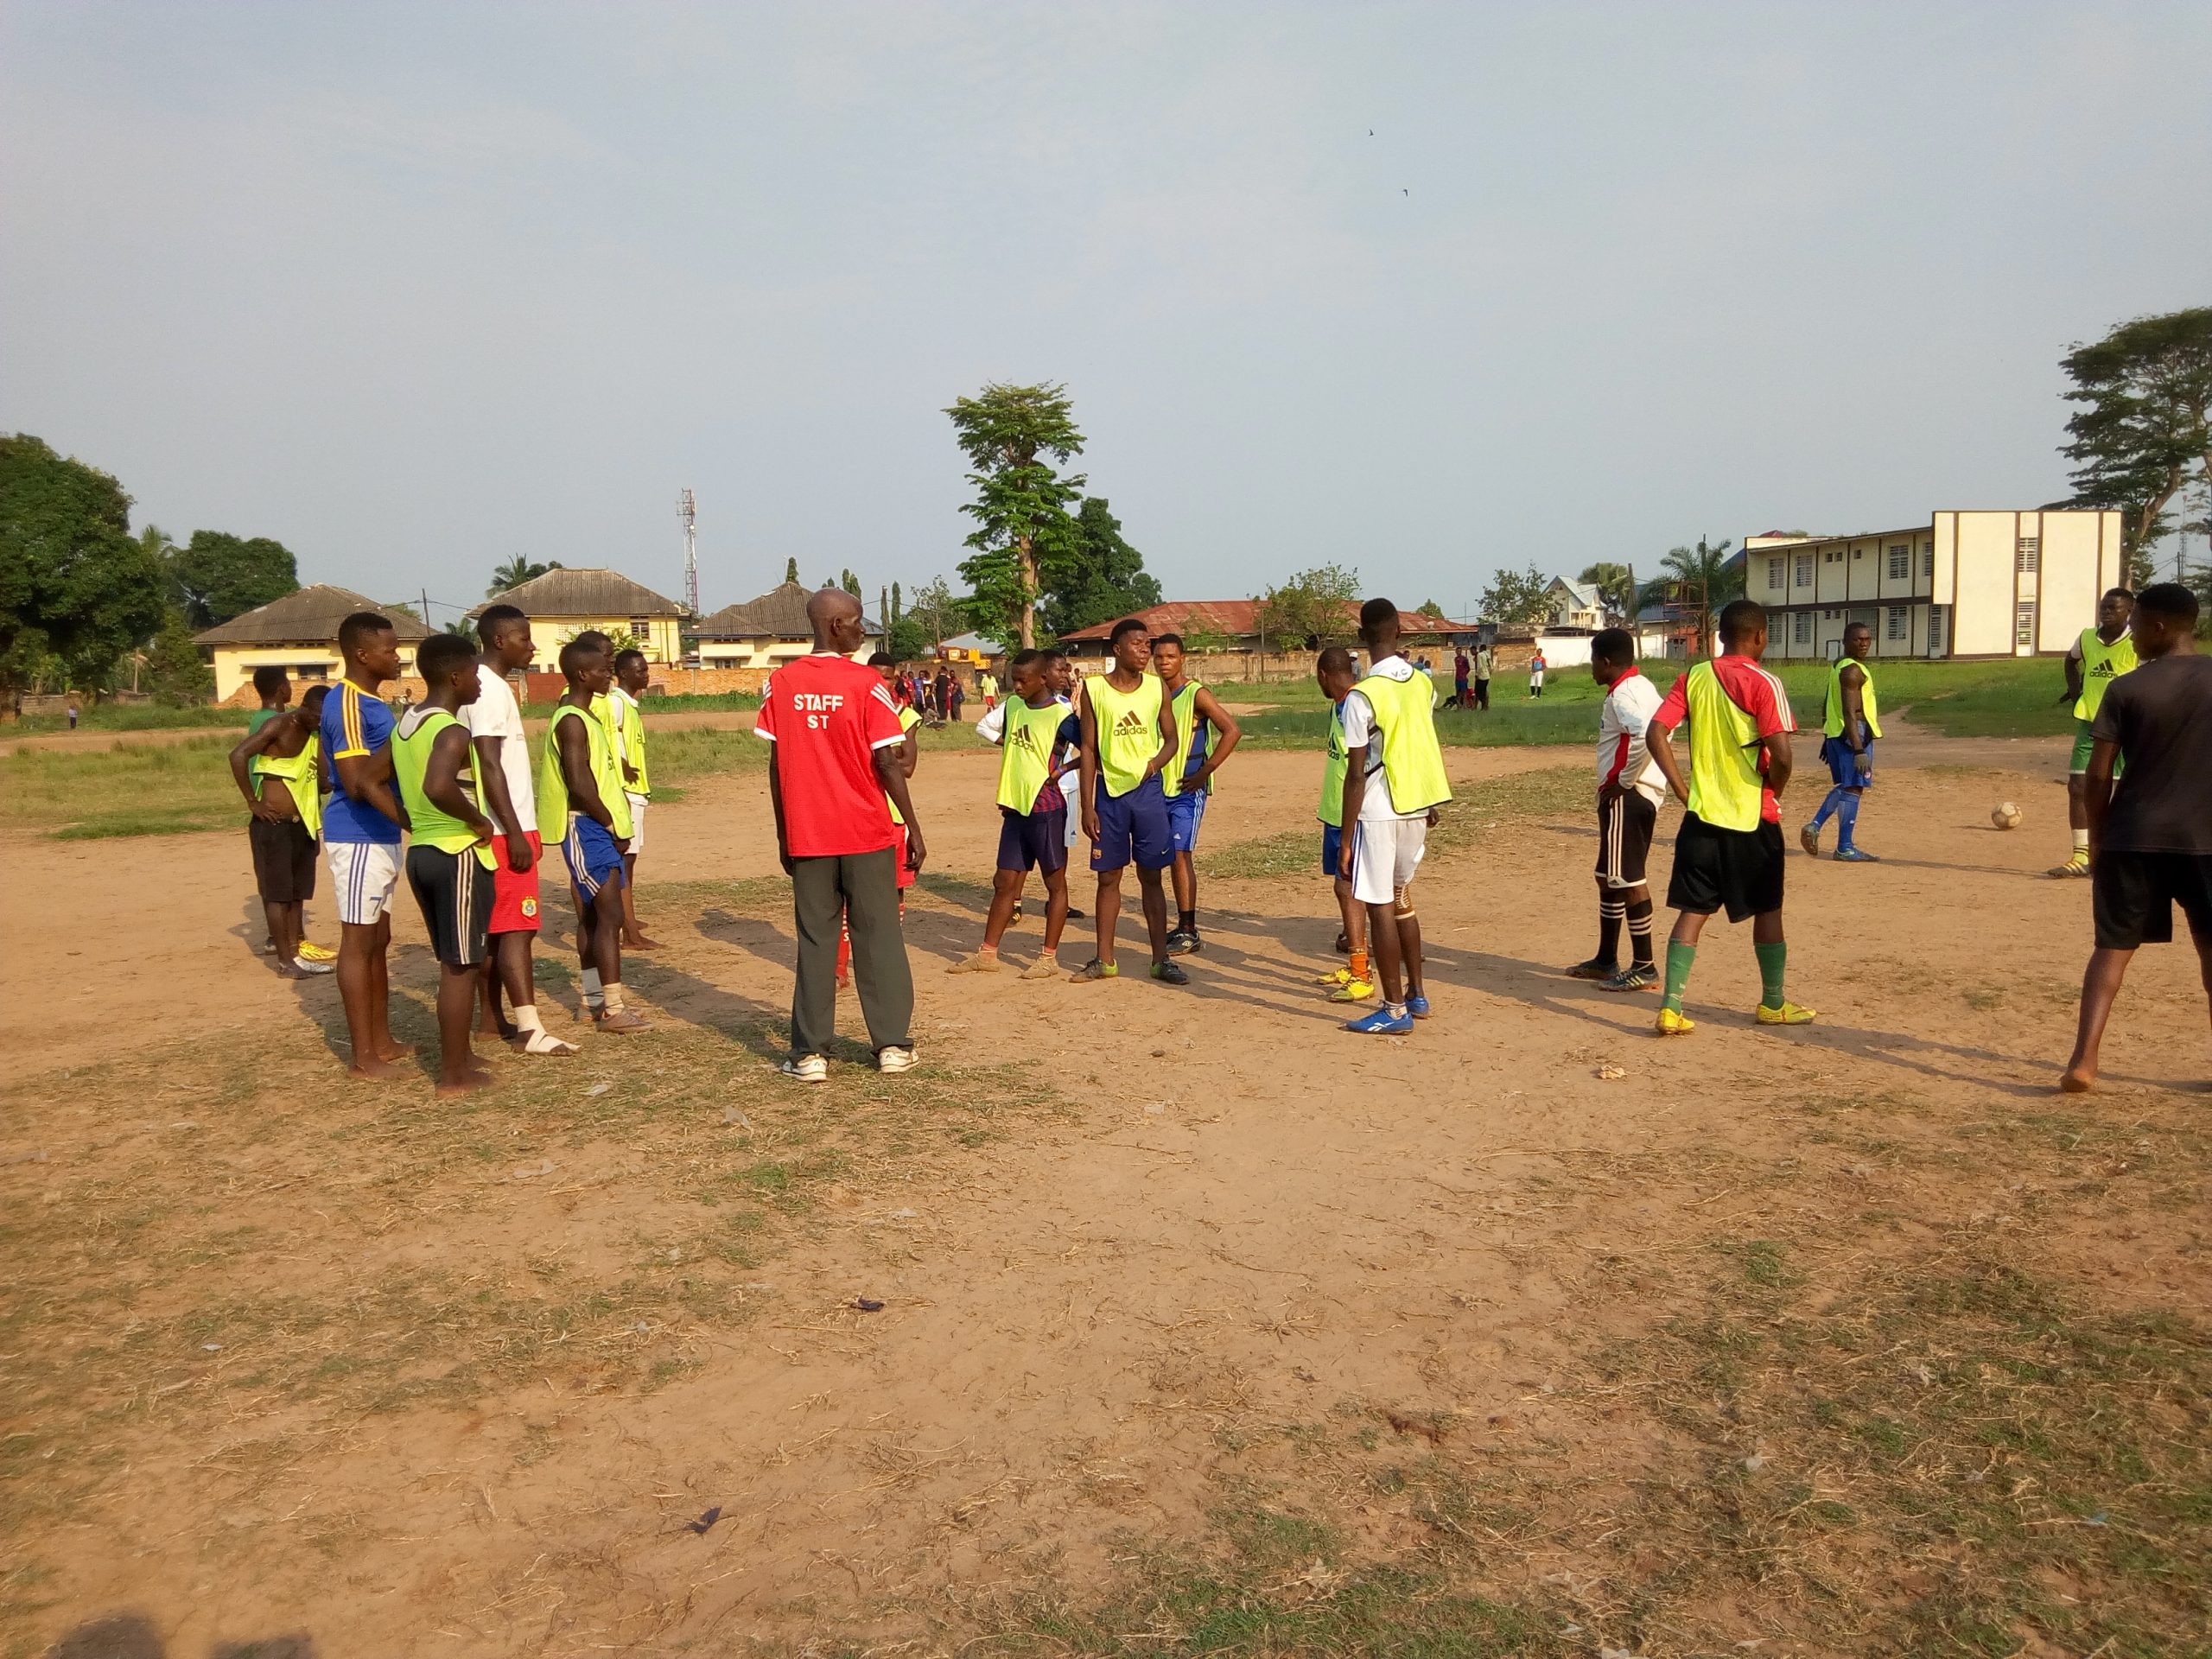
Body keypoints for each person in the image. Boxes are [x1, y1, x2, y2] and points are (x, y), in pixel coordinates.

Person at [756, 589, 924, 1080]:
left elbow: (775, 766)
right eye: (855, 622)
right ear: (834, 626)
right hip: (866, 831)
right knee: (880, 937)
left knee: (816, 940)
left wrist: (785, 831)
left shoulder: (780, 683)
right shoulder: (867, 684)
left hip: (808, 834)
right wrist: (912, 826)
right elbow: (887, 761)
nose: (860, 630)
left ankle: (809, 1053)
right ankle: (892, 1045)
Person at [2059, 584, 2212, 1090]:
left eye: (2138, 622)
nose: (2132, 632)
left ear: (2160, 627)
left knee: (2112, 949)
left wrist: (2098, 839)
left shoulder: (2128, 688)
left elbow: (2098, 776)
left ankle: (2084, 1062)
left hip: (2134, 835)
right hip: (2205, 839)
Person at [1643, 599, 1814, 1036]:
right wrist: (1774, 789)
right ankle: (1773, 1003)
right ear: (1760, 637)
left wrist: (1683, 791)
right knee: (1768, 907)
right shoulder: (1765, 682)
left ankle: (1670, 1007)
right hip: (1752, 819)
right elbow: (1783, 756)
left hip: (1701, 817)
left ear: (1719, 636)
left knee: (1692, 910)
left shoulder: (1693, 677)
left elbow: (1655, 732)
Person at [391, 632, 501, 1095]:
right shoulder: (451, 730)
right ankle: (453, 1075)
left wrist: (412, 822)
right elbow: (439, 785)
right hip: (456, 855)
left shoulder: (405, 726)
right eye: (475, 674)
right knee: (460, 967)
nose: (479, 683)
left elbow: (373, 781)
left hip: (422, 856)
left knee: (457, 960)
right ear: (455, 677)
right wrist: (479, 821)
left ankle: (462, 1055)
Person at [462, 604, 575, 1056]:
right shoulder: (488, 689)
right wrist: (511, 830)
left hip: (501, 825)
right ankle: (530, 1028)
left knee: (496, 927)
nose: (532, 646)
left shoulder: (484, 686)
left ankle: (492, 1020)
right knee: (517, 929)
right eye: (524, 638)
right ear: (498, 640)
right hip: (506, 827)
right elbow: (489, 765)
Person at [1338, 599, 1453, 1033]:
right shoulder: (1424, 684)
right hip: (1417, 805)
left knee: (1378, 903)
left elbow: (1354, 775)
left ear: (1363, 637)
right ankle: (1417, 993)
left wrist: (1346, 838)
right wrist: (1430, 801)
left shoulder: (1362, 696)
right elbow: (1420, 742)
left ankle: (1393, 1010)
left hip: (1379, 810)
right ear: (1400, 634)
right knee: (1401, 896)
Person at [538, 639, 649, 1033]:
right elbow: (580, 783)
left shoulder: (587, 717)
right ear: (583, 675)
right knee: (609, 914)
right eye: (603, 671)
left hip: (595, 824)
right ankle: (613, 1008)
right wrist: (609, 824)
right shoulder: (570, 719)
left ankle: (591, 1000)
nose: (608, 676)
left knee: (593, 915)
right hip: (586, 825)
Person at [320, 613, 412, 1079]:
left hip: (380, 835)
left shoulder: (371, 703)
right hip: (357, 835)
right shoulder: (349, 703)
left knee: (378, 939)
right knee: (358, 942)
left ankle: (381, 1038)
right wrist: (413, 822)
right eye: (391, 649)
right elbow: (357, 782)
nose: (397, 656)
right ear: (362, 654)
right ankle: (363, 1057)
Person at [951, 648, 1076, 977]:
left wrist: (1064, 769)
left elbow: (1094, 749)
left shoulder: (1062, 716)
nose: (1017, 686)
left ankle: (1048, 958)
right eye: (1014, 680)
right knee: (1004, 882)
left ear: (1044, 679)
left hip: (1046, 807)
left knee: (1055, 883)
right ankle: (987, 953)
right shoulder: (1014, 707)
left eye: (1023, 681)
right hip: (1014, 807)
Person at [1075, 617, 1185, 984]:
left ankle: (1160, 959)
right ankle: (1105, 960)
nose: (1145, 651)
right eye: (1137, 644)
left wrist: (1155, 764)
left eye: (1147, 644)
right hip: (1109, 795)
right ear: (1117, 649)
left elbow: (1172, 739)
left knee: (1152, 876)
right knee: (1108, 877)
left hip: (1148, 794)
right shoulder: (1094, 689)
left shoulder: (1157, 688)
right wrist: (1087, 805)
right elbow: (1088, 748)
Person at [1567, 628, 1666, 991]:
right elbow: (1666, 726)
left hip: (1630, 795)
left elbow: (1645, 734)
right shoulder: (1642, 687)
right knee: (1607, 876)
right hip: (1634, 793)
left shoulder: (1624, 694)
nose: (1591, 668)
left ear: (1606, 662)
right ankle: (1607, 959)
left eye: (1594, 661)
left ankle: (1644, 965)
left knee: (1628, 878)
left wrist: (1624, 780)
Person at [229, 682, 333, 976]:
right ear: (306, 708)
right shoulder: (280, 725)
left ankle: (297, 953)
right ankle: (285, 960)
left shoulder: (316, 737)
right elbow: (238, 756)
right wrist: (253, 802)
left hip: (303, 825)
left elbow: (322, 781)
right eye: (317, 716)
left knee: (297, 894)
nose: (320, 723)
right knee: (278, 895)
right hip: (272, 826)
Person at [1153, 632, 1243, 955]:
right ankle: (1168, 925)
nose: (1164, 662)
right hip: (1155, 790)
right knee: (1154, 860)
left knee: (1180, 854)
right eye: (1159, 657)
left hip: (1185, 792)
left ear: (1182, 659)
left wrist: (1205, 772)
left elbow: (1232, 730)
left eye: (1170, 657)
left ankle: (1188, 928)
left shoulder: (1196, 694)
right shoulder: (1152, 693)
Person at [838, 652, 923, 988]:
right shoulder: (853, 709)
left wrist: (866, 758)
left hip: (892, 816)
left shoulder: (907, 716)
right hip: (855, 814)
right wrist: (884, 757)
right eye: (876, 676)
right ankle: (839, 967)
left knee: (894, 889)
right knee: (847, 893)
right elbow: (892, 761)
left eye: (888, 677)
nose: (882, 683)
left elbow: (908, 767)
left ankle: (884, 958)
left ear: (896, 679)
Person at [2053, 588, 2138, 878]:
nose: (2106, 612)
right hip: (2091, 724)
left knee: (2127, 793)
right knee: (2078, 787)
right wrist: (2076, 692)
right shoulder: (2087, 637)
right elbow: (2070, 660)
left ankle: (2122, 856)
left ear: (2129, 612)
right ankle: (2081, 856)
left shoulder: (2137, 643)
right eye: (2103, 607)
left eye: (2113, 608)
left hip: (2128, 726)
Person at [1310, 646, 1372, 1004]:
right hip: (1336, 812)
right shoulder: (1338, 707)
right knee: (1344, 888)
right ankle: (1356, 961)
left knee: (1349, 887)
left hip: (1354, 815)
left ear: (1322, 675)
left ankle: (1362, 972)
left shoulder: (1355, 705)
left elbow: (1362, 769)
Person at [1801, 622, 1882, 862]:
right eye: (1858, 639)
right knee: (1854, 787)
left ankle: (1814, 826)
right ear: (1845, 641)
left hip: (1839, 734)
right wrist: (1858, 749)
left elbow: (1827, 704)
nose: (1864, 644)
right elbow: (1849, 711)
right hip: (1854, 735)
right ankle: (1844, 847)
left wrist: (1828, 737)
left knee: (1847, 786)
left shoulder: (1838, 666)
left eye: (1867, 639)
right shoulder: (1852, 671)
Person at [610, 648, 661, 950]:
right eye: (640, 670)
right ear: (624, 673)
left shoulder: (629, 705)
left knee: (628, 862)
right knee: (624, 863)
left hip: (636, 792)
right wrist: (622, 767)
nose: (646, 674)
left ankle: (627, 921)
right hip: (627, 794)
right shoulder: (616, 703)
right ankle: (629, 932)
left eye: (646, 669)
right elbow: (607, 738)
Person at [1473, 642, 1494, 711]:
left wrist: (1477, 674)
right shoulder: (1488, 655)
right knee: (1484, 691)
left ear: (1481, 648)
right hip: (1487, 676)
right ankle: (1484, 707)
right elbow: (1492, 667)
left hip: (1481, 676)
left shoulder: (1480, 655)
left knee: (1478, 692)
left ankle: (1484, 705)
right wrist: (1489, 673)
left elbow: (1479, 666)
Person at [1452, 647, 1471, 711]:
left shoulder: (1464, 659)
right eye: (1457, 651)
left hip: (1463, 678)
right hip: (1457, 678)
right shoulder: (1456, 659)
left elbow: (1468, 668)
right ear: (1456, 652)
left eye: (1459, 651)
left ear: (1461, 651)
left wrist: (1464, 674)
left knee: (1464, 692)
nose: (1458, 652)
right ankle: (1459, 706)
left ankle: (1464, 705)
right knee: (1458, 693)